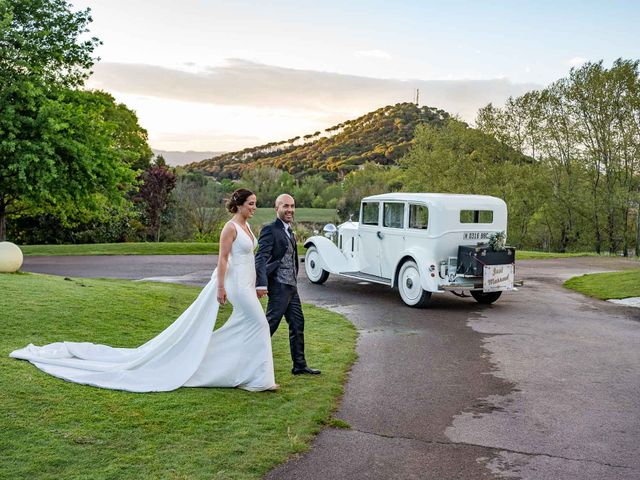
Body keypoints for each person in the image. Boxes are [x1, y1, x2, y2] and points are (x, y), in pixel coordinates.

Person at [10, 189, 278, 393]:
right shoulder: (230, 228)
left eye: (255, 204)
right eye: (251, 204)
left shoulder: (247, 227)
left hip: (246, 283)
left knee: (246, 327)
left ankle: (237, 371)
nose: (254, 207)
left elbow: (248, 259)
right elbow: (222, 260)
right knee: (259, 326)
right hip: (234, 285)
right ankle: (259, 379)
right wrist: (220, 286)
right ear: (239, 205)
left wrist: (256, 284)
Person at [255, 193, 320, 375]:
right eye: (286, 206)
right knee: (270, 326)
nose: (290, 210)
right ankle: (249, 363)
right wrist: (261, 284)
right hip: (278, 287)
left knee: (298, 324)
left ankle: (299, 365)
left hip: (292, 288)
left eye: (292, 206)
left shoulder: (289, 230)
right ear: (277, 209)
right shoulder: (270, 229)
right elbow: (260, 258)